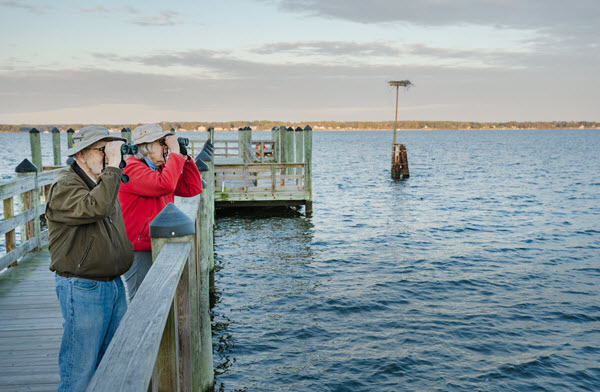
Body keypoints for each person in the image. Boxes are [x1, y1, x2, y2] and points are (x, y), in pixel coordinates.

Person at [46, 126, 134, 391]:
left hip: (113, 284)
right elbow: (93, 208)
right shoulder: (64, 185)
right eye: (102, 151)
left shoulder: (101, 182)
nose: (109, 158)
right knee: (79, 373)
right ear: (82, 154)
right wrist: (113, 170)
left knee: (114, 364)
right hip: (83, 287)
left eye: (111, 151)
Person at [119, 123, 202, 302]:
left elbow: (193, 188)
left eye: (166, 144)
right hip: (138, 249)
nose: (166, 148)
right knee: (142, 301)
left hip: (156, 242)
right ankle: (137, 331)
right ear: (146, 147)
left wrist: (184, 157)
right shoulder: (131, 169)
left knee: (158, 298)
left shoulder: (159, 170)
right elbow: (164, 185)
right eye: (162, 144)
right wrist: (174, 155)